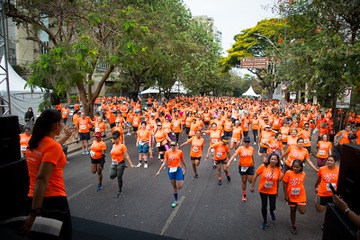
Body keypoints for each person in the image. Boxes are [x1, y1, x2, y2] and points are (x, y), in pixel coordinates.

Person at [21, 109, 75, 239]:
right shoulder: (52, 147)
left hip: (32, 198)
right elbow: (41, 179)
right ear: (55, 125)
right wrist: (35, 213)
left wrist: (66, 137)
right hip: (53, 201)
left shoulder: (34, 143)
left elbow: (52, 149)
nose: (62, 126)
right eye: (61, 123)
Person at [250, 154, 283, 230]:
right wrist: (252, 186)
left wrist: (277, 190)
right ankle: (265, 221)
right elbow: (256, 175)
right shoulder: (263, 166)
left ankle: (271, 211)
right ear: (269, 159)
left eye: (275, 159)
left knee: (273, 206)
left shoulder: (278, 169)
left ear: (277, 161)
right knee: (264, 206)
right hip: (263, 190)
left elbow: (277, 180)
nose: (273, 161)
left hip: (272, 191)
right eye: (272, 159)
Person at [155, 141, 187, 208]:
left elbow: (182, 159)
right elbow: (164, 163)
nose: (172, 146)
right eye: (171, 145)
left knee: (179, 187)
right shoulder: (167, 152)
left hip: (178, 169)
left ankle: (182, 175)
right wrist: (159, 171)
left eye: (173, 145)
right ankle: (175, 200)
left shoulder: (180, 152)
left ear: (176, 146)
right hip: (171, 170)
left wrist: (185, 167)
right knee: (174, 186)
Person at [314, 156, 339, 229]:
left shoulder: (338, 170)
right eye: (328, 160)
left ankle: (325, 223)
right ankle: (316, 197)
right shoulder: (322, 169)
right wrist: (316, 186)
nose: (329, 162)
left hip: (333, 194)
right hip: (322, 192)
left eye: (331, 161)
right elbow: (319, 179)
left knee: (330, 210)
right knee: (320, 210)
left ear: (335, 162)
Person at [283, 160, 307, 235]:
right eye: (294, 167)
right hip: (291, 195)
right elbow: (284, 183)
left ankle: (298, 205)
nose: (295, 168)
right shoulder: (288, 173)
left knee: (302, 211)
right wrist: (286, 194)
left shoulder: (303, 174)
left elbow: (302, 183)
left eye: (297, 167)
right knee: (293, 210)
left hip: (300, 195)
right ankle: (293, 225)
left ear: (301, 167)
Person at [109, 130, 136, 197]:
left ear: (118, 138)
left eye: (115, 138)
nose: (114, 140)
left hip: (120, 163)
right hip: (114, 163)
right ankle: (117, 171)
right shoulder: (113, 146)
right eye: (113, 139)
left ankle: (120, 190)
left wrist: (131, 164)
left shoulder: (122, 146)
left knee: (119, 177)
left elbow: (126, 155)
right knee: (111, 176)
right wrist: (112, 162)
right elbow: (112, 154)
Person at [228, 136, 255, 201]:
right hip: (242, 166)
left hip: (250, 166)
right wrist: (229, 162)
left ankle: (249, 188)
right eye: (245, 142)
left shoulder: (251, 148)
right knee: (244, 180)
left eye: (248, 142)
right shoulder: (240, 148)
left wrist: (253, 162)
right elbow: (234, 155)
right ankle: (244, 194)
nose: (247, 143)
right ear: (243, 142)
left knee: (250, 181)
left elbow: (252, 156)